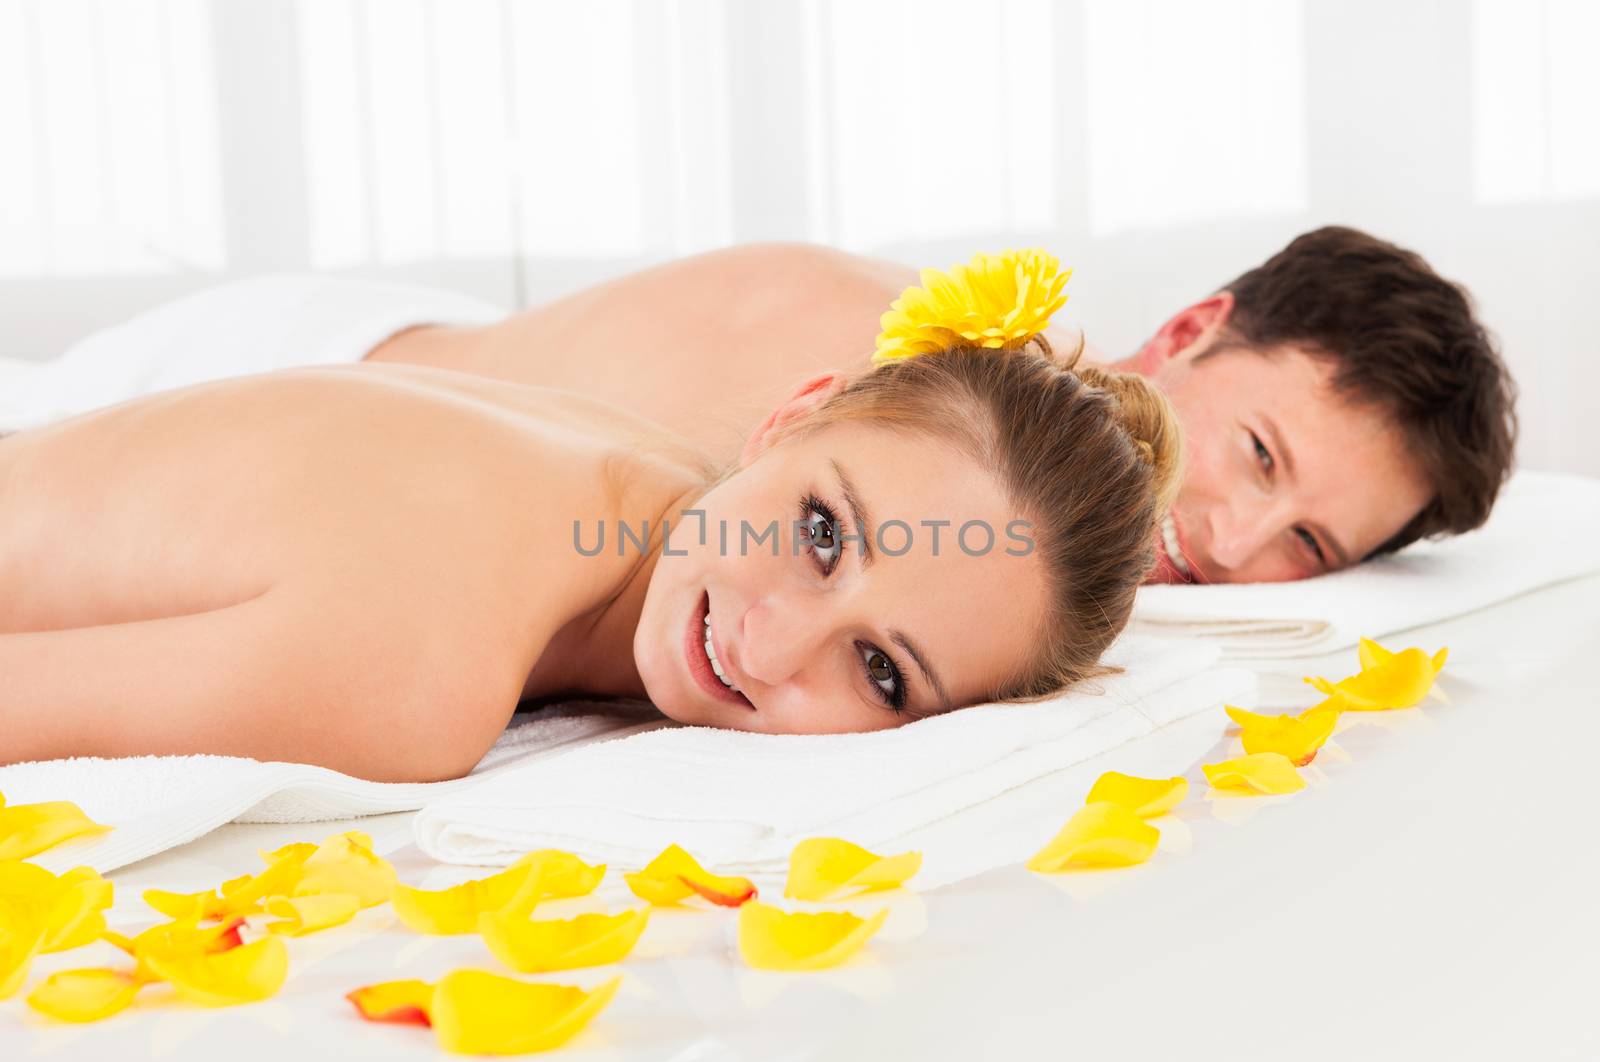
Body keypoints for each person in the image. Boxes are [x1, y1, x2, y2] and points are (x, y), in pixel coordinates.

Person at [0, 253, 1182, 782]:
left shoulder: (637, 475)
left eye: (879, 671)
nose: (766, 647)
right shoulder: (417, 673)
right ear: (789, 415)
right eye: (823, 532)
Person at [4, 226, 1518, 585]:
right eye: (1258, 452)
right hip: (270, 385)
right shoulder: (870, 373)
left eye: (1307, 546)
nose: (1233, 536)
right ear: (1193, 329)